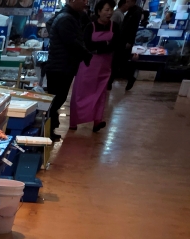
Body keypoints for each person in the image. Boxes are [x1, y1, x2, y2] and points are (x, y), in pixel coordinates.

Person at [45, 0, 92, 140]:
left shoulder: (69, 15)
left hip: (61, 65)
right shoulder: (66, 18)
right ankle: (46, 130)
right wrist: (86, 54)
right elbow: (72, 42)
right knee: (56, 100)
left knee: (57, 99)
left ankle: (49, 130)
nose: (85, 2)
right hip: (60, 66)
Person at [71, 0, 117, 132]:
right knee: (81, 94)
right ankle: (74, 121)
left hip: (105, 66)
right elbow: (88, 45)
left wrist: (102, 46)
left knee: (100, 94)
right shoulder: (90, 26)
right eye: (106, 10)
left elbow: (115, 44)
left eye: (111, 10)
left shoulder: (115, 27)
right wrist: (105, 44)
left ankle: (97, 121)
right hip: (88, 64)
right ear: (99, 11)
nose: (109, 13)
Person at [112, 0, 145, 89]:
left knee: (120, 62)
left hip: (125, 42)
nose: (126, 3)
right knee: (118, 62)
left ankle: (130, 78)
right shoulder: (131, 11)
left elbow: (132, 28)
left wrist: (129, 42)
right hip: (122, 41)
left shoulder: (135, 12)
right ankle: (111, 82)